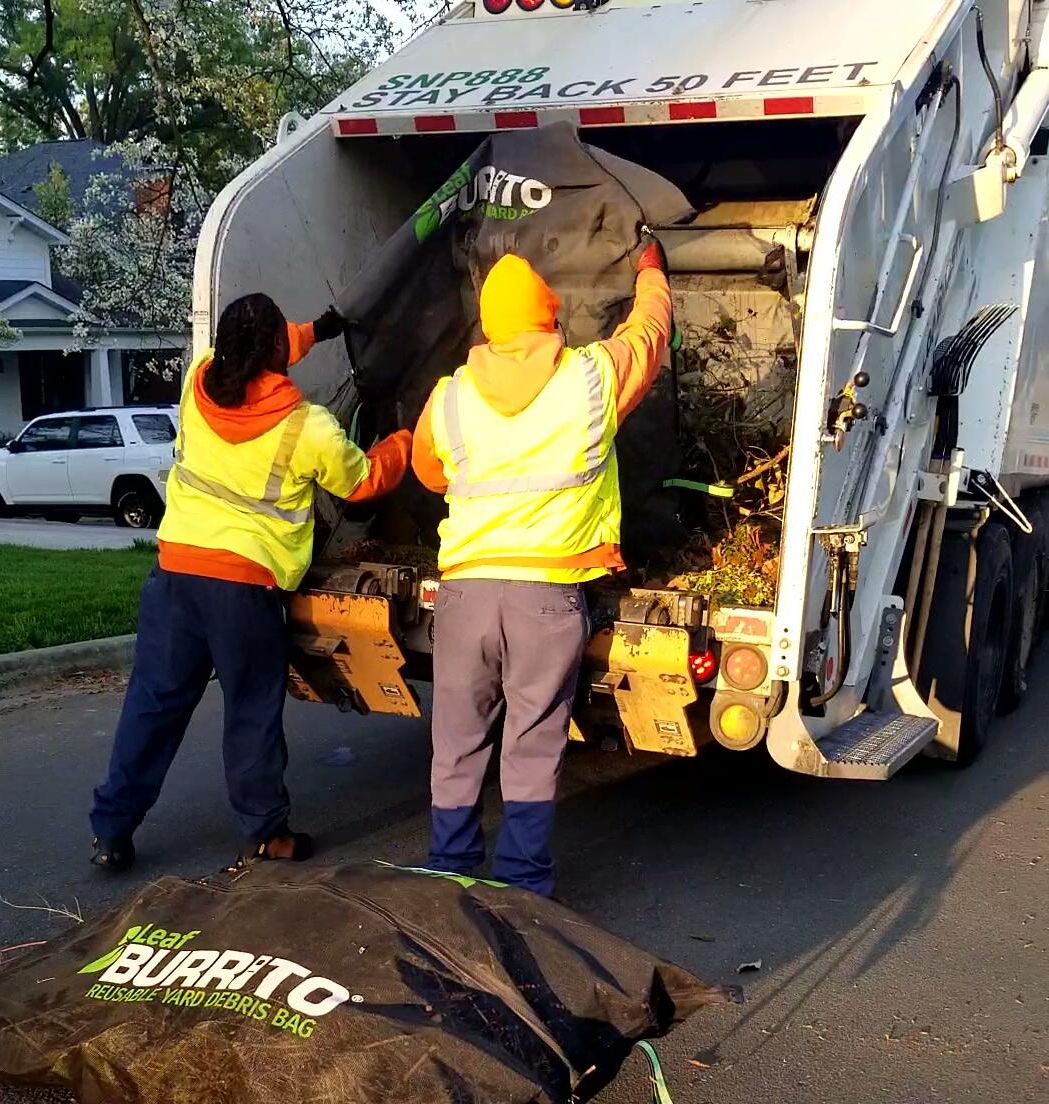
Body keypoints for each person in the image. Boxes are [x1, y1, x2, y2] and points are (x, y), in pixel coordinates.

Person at [89, 292, 412, 871]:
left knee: (153, 705)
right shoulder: (306, 427)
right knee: (251, 712)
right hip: (243, 589)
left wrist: (318, 329)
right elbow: (363, 483)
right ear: (272, 351)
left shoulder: (195, 383)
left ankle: (111, 830)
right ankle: (266, 833)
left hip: (175, 576)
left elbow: (262, 343)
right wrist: (404, 441)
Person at [411, 234, 672, 895]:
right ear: (549, 315)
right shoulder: (591, 377)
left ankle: (450, 876)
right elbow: (649, 335)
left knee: (458, 741)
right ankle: (523, 887)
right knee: (531, 745)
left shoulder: (450, 396)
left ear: (489, 325)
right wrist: (650, 269)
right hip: (547, 599)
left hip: (466, 595)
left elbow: (428, 472)